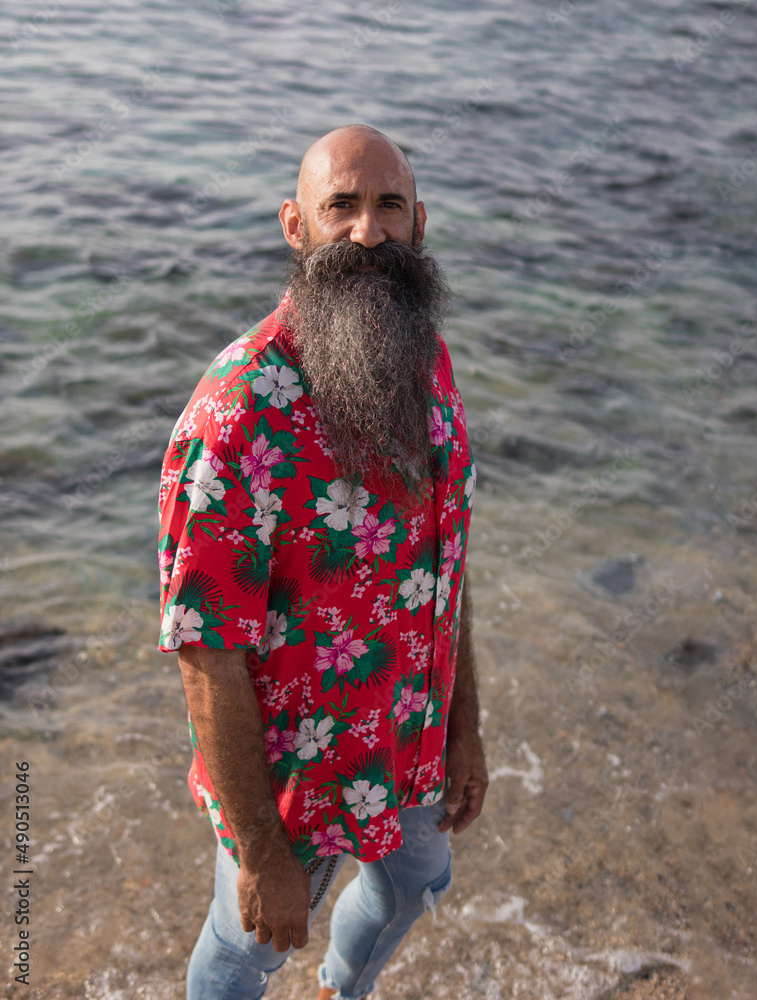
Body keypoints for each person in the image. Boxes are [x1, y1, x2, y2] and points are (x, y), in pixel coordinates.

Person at [157, 124, 487, 1000]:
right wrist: (262, 852)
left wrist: (465, 727)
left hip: (411, 740)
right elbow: (206, 645)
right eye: (340, 206)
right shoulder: (239, 414)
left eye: (389, 206)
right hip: (293, 777)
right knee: (243, 953)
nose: (367, 231)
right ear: (295, 227)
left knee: (419, 882)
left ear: (421, 223)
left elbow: (445, 555)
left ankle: (345, 990)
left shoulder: (422, 356)